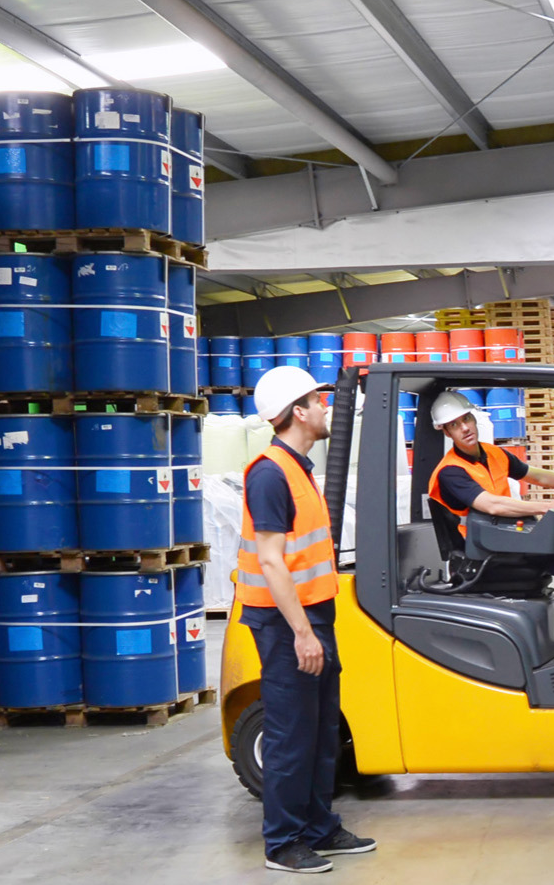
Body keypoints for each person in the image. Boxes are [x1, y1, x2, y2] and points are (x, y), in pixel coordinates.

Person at [238, 365, 373, 874]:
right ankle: (282, 842)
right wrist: (302, 633)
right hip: (284, 623)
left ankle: (319, 828)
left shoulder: (299, 468)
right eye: (318, 401)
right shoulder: (270, 473)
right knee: (291, 734)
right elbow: (272, 562)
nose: (325, 408)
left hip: (315, 612)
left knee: (319, 730)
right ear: (298, 411)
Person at [422, 390, 554, 619]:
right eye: (454, 425)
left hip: (500, 536)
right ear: (447, 432)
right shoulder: (451, 471)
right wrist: (547, 507)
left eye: (466, 419)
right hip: (480, 552)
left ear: (473, 418)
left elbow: (540, 477)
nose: (464, 428)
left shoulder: (493, 454)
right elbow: (492, 505)